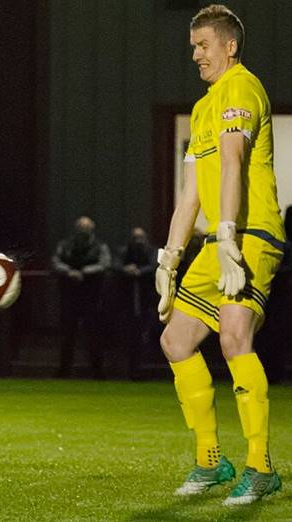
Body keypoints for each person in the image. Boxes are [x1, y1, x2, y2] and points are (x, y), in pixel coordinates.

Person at [155, 5, 284, 504]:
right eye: (193, 46)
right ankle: (211, 461)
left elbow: (232, 162)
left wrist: (228, 235)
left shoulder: (243, 88)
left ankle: (261, 467)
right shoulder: (205, 105)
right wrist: (169, 257)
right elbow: (191, 194)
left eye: (203, 44)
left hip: (251, 234)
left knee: (234, 337)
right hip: (217, 242)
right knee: (176, 341)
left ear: (230, 46)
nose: (196, 55)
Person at [51, 216, 111, 378]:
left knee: (94, 335)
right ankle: (64, 370)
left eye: (86, 227)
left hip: (92, 297)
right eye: (81, 227)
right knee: (67, 334)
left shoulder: (100, 246)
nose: (83, 231)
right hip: (69, 296)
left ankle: (97, 371)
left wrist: (85, 271)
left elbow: (105, 263)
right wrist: (69, 272)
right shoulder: (65, 245)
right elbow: (55, 261)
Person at [113, 227, 158, 379]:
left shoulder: (152, 252)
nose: (138, 242)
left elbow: (154, 266)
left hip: (148, 301)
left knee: (145, 336)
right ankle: (127, 370)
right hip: (126, 303)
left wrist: (139, 272)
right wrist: (126, 270)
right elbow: (115, 265)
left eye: (141, 238)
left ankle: (142, 369)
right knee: (127, 336)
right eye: (135, 238)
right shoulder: (124, 252)